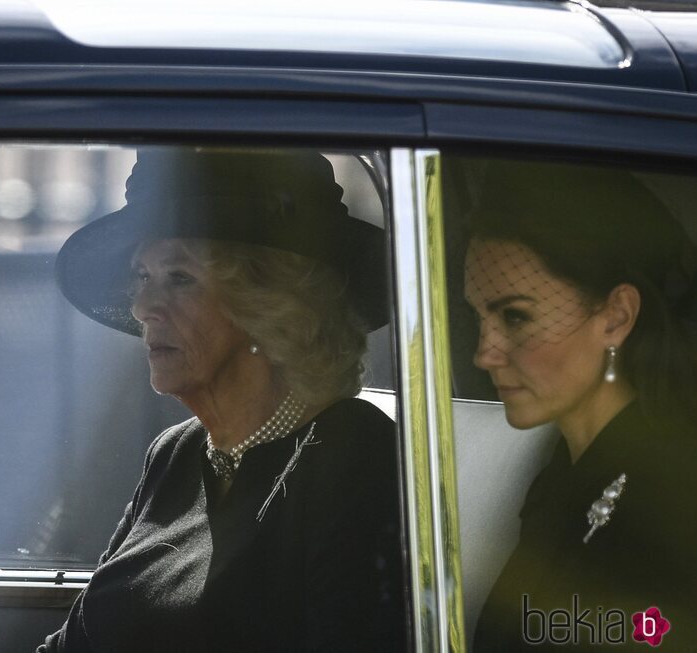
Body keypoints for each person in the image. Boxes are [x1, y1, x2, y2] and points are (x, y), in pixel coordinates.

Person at [37, 148, 408, 652]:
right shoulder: (177, 452)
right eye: (143, 276)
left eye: (179, 278)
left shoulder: (351, 453)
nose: (143, 306)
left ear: (268, 303)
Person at [462, 160, 697, 651]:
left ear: (616, 317)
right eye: (479, 316)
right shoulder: (561, 472)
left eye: (516, 316)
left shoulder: (672, 494)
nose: (484, 352)